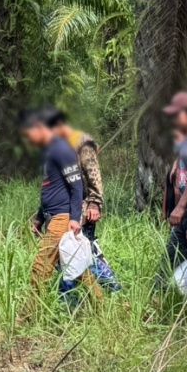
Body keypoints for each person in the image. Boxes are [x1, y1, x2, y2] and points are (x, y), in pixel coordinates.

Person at [20, 108, 101, 311]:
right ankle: (105, 308)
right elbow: (49, 188)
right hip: (54, 217)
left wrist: (74, 218)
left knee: (40, 268)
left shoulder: (61, 150)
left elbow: (77, 186)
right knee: (80, 270)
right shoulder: (49, 153)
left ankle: (26, 316)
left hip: (62, 219)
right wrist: (39, 219)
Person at [47, 109, 120, 291]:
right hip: (68, 207)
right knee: (68, 253)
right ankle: (70, 298)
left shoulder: (82, 144)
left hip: (84, 207)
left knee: (87, 252)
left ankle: (113, 288)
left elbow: (94, 175)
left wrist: (94, 203)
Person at [159, 91, 187, 287]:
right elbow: (177, 181)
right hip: (186, 214)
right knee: (171, 257)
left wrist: (181, 207)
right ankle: (158, 295)